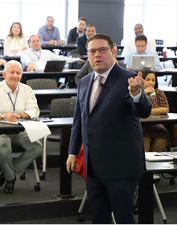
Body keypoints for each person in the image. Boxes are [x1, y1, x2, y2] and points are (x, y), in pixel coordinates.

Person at [66, 34, 151, 223]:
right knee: (98, 217)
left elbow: (144, 111)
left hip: (121, 167)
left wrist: (136, 94)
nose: (97, 55)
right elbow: (79, 120)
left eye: (102, 50)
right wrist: (72, 152)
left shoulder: (129, 79)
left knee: (124, 218)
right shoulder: (85, 81)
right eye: (92, 51)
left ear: (113, 51)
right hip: (93, 166)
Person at [0, 60, 42, 194]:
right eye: (12, 72)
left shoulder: (26, 89)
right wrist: (4, 116)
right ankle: (11, 178)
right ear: (4, 74)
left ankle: (7, 174)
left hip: (20, 130)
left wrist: (21, 115)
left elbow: (35, 110)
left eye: (18, 73)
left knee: (37, 147)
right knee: (4, 149)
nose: (15, 76)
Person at [141, 70, 169, 152]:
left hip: (156, 124)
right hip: (141, 125)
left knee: (162, 137)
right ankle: (145, 162)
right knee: (144, 139)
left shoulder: (159, 92)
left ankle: (154, 159)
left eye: (153, 80)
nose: (150, 82)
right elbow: (136, 110)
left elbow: (165, 109)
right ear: (142, 80)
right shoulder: (137, 92)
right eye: (148, 79)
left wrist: (147, 111)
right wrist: (145, 94)